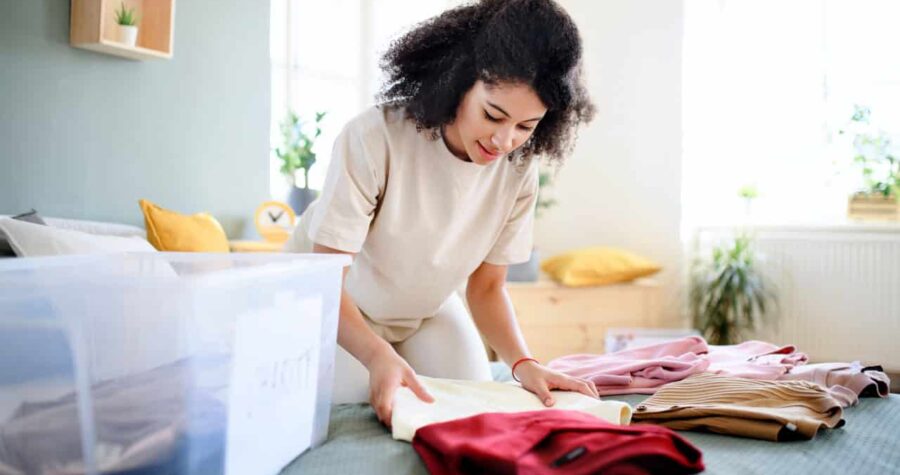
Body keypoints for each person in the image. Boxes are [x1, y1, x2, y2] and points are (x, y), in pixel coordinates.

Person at [286, 0, 597, 426]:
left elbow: (486, 289)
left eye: (526, 126)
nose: (505, 140)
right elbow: (325, 281)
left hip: (424, 311)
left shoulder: (520, 171)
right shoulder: (375, 137)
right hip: (332, 307)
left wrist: (524, 363)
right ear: (459, 80)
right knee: (367, 409)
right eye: (493, 114)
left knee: (474, 406)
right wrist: (378, 356)